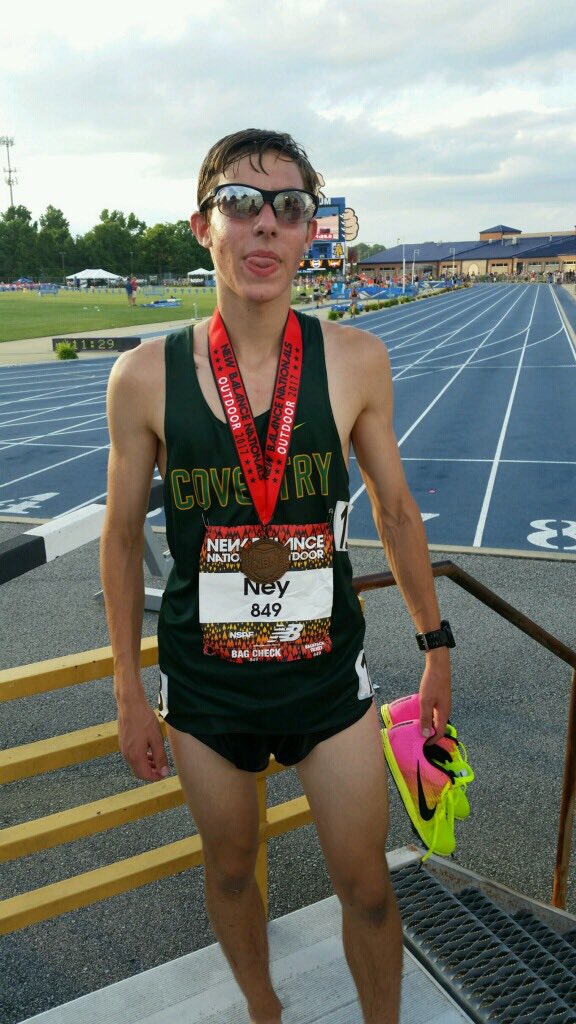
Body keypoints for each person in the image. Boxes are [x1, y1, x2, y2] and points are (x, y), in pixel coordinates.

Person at [100, 128, 452, 1024]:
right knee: (229, 871)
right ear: (203, 226)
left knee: (366, 885)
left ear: (308, 234)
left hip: (326, 680)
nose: (265, 224)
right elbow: (121, 539)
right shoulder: (143, 378)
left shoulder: (355, 359)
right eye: (239, 203)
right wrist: (128, 688)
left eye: (289, 207)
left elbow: (397, 511)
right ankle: (266, 1011)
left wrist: (435, 646)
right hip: (207, 683)